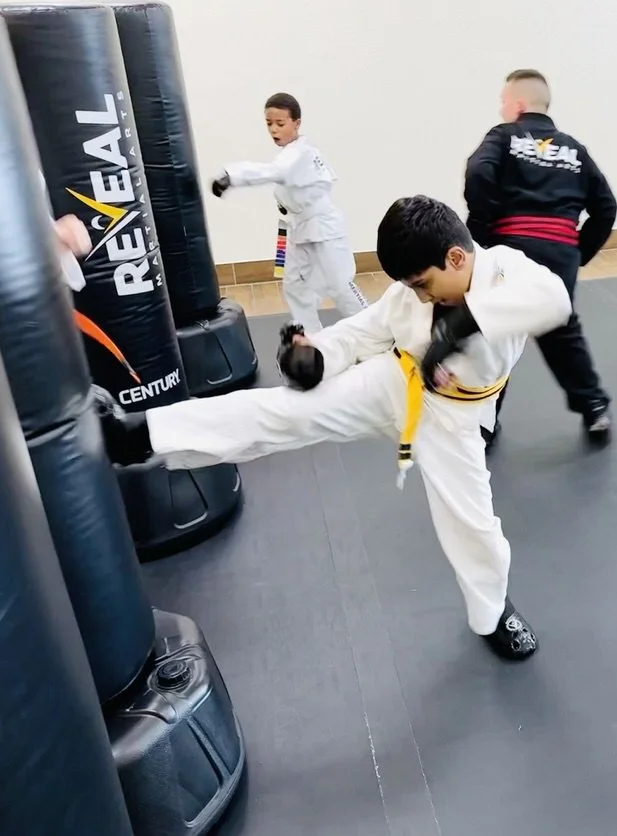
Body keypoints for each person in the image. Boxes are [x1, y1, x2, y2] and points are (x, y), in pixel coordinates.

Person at [89, 196, 573, 660]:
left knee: (473, 523)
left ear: (455, 256)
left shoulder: (506, 269)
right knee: (283, 411)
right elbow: (362, 331)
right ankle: (140, 435)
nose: (419, 295)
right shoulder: (409, 295)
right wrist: (314, 357)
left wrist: (453, 331)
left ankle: (492, 615)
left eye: (424, 283)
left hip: (455, 419)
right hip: (396, 380)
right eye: (411, 287)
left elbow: (554, 300)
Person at [464, 69, 617, 449]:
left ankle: (484, 421)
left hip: (511, 246)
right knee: (560, 327)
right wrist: (579, 251)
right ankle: (595, 406)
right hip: (560, 250)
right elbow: (606, 206)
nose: (502, 108)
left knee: (494, 326)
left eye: (504, 100)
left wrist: (481, 233)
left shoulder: (503, 137)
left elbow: (478, 174)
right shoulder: (574, 149)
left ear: (517, 104)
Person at [210, 92, 367, 333]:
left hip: (323, 229)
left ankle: (376, 332)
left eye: (280, 124)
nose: (274, 129)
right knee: (294, 286)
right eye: (269, 123)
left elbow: (271, 172)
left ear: (297, 123)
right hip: (295, 227)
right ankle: (312, 339)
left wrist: (231, 176)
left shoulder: (299, 154)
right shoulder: (290, 153)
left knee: (340, 286)